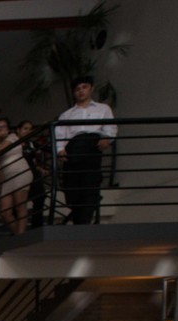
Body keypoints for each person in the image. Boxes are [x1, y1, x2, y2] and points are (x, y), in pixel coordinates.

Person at [56, 75, 116, 225]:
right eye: (77, 89)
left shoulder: (103, 108)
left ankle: (83, 222)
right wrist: (60, 149)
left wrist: (107, 138)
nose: (81, 91)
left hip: (92, 146)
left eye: (84, 87)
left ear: (91, 88)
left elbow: (110, 127)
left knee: (90, 183)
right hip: (73, 148)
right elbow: (60, 134)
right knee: (72, 187)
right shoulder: (67, 114)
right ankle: (80, 219)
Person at [0, 117, 32, 235]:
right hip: (8, 177)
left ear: (8, 129)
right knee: (5, 212)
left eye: (3, 127)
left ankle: (20, 236)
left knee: (19, 205)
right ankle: (19, 236)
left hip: (20, 172)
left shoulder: (12, 137)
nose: (0, 129)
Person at [16, 120, 48, 229]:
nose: (28, 131)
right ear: (18, 130)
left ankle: (37, 227)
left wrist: (39, 168)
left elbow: (32, 160)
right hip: (19, 175)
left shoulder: (32, 144)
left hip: (33, 174)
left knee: (40, 197)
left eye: (30, 129)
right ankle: (18, 229)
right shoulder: (13, 144)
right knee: (19, 202)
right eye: (25, 128)